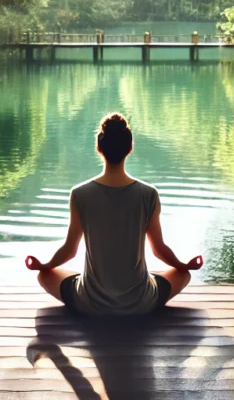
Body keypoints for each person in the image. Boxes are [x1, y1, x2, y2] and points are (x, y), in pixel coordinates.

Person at [25, 112, 203, 316]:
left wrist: (45, 265)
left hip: (91, 303)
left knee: (45, 276)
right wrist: (183, 265)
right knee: (183, 275)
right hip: (140, 303)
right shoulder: (148, 194)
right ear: (130, 148)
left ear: (98, 147)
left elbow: (69, 251)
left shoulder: (80, 194)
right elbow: (159, 250)